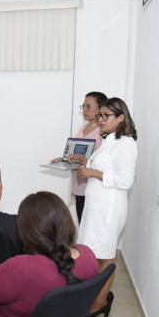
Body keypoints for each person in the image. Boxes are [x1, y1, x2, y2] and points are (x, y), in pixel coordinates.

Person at [67, 97, 137, 317]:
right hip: (96, 207)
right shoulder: (110, 140)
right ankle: (95, 297)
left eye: (106, 116)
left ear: (121, 117)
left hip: (108, 209)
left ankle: (100, 304)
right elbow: (104, 167)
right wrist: (85, 162)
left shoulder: (126, 144)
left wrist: (92, 173)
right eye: (101, 115)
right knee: (94, 253)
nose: (101, 119)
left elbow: (125, 181)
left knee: (106, 257)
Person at [49, 92, 108, 222]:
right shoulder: (82, 127)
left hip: (94, 185)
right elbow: (75, 152)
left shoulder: (105, 131)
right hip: (79, 184)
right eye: (83, 106)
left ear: (101, 108)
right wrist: (63, 159)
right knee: (82, 224)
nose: (84, 110)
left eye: (88, 106)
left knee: (93, 226)